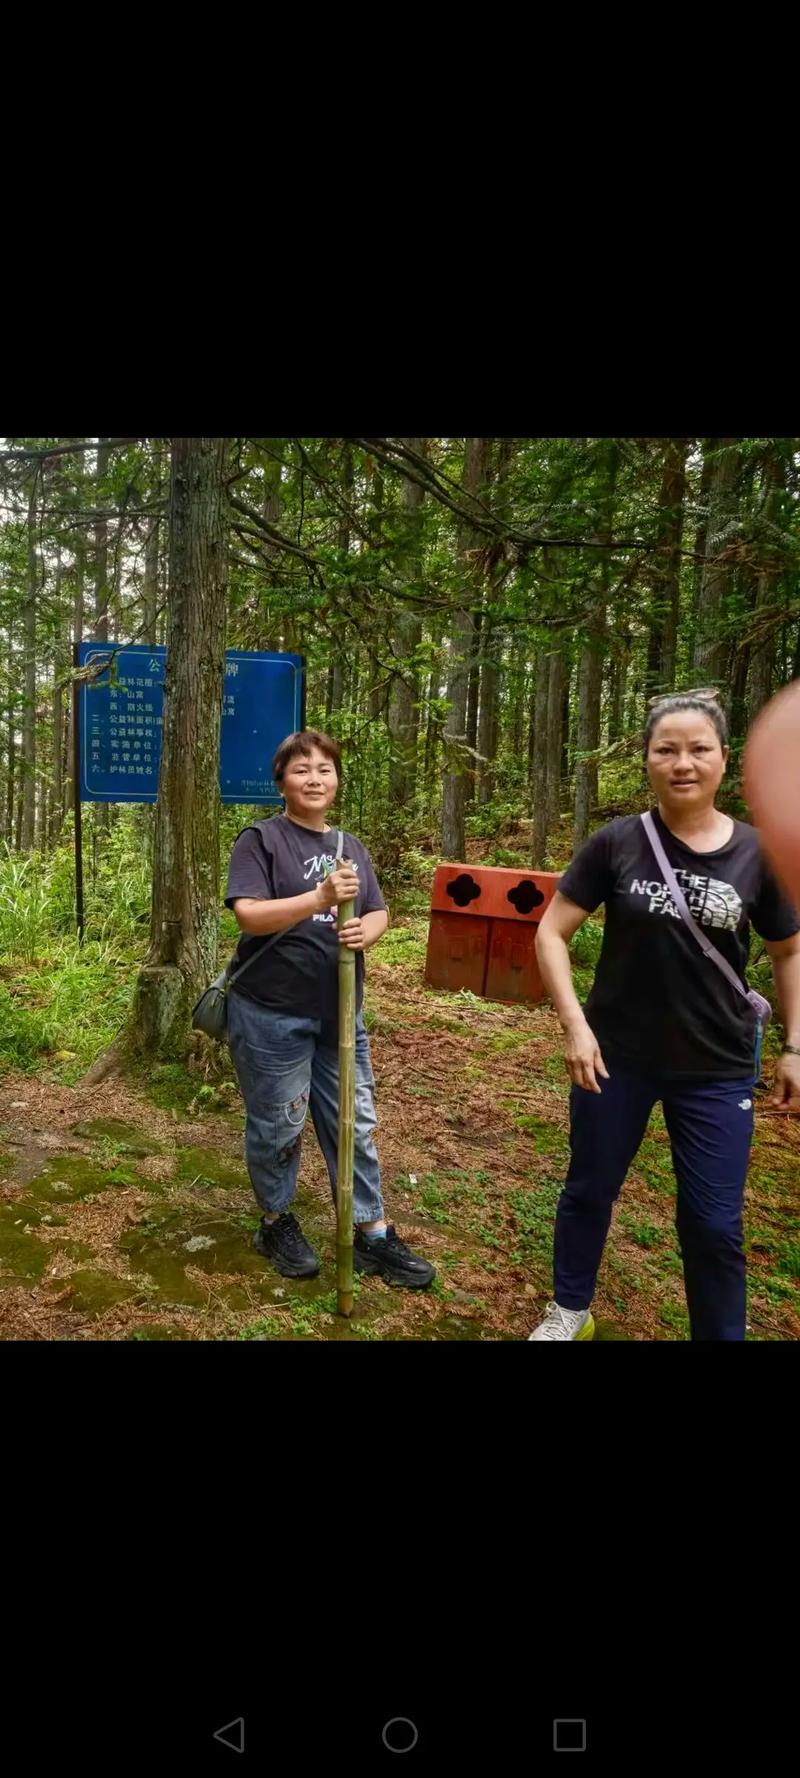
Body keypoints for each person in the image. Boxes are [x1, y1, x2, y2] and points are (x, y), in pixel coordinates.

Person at [528, 689, 800, 1343]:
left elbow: (789, 951)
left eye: (698, 749)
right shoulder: (617, 843)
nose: (683, 762)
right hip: (615, 1057)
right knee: (589, 1188)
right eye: (666, 749)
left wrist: (796, 1046)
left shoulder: (758, 854)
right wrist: (576, 1025)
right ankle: (570, 1310)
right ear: (647, 760)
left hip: (717, 1067)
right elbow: (550, 934)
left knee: (712, 1222)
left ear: (723, 760)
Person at [225, 728, 435, 1290]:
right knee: (279, 1124)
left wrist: (371, 928)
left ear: (337, 780)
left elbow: (378, 910)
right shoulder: (261, 840)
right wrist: (318, 900)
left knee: (355, 1122)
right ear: (281, 782)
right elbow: (249, 915)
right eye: (301, 770)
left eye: (324, 769)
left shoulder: (349, 845)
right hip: (270, 1012)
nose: (314, 778)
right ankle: (276, 1220)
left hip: (341, 1012)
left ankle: (373, 1233)